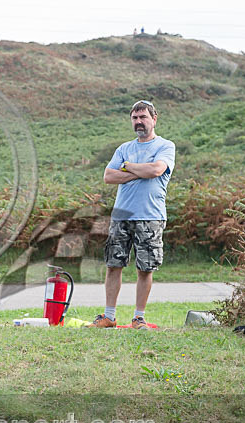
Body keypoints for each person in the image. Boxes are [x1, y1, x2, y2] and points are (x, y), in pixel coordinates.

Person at [86, 100, 176, 329]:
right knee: (113, 264)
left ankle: (138, 318)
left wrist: (127, 167)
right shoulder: (124, 149)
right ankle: (109, 316)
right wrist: (139, 171)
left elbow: (156, 170)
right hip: (121, 216)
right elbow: (108, 176)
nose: (139, 122)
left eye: (143, 117)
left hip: (150, 216)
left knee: (145, 268)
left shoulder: (165, 146)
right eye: (135, 118)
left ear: (154, 119)